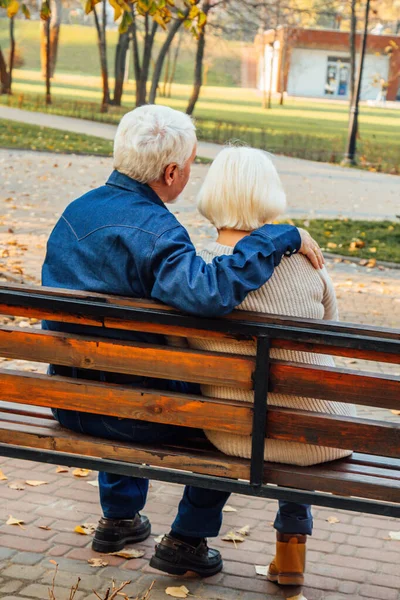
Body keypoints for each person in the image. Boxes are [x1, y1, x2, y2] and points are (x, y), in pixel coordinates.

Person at [42, 105, 324, 579]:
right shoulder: (157, 231)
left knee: (125, 370)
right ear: (171, 172)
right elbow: (210, 291)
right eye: (191, 165)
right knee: (232, 416)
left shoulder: (76, 212)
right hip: (134, 418)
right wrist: (278, 238)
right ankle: (187, 540)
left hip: (70, 400)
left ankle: (120, 518)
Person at [187, 146, 356, 586]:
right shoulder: (307, 262)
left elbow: (179, 348)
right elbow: (330, 335)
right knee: (299, 406)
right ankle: (292, 553)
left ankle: (188, 537)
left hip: (233, 433)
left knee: (250, 406)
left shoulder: (195, 272)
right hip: (322, 438)